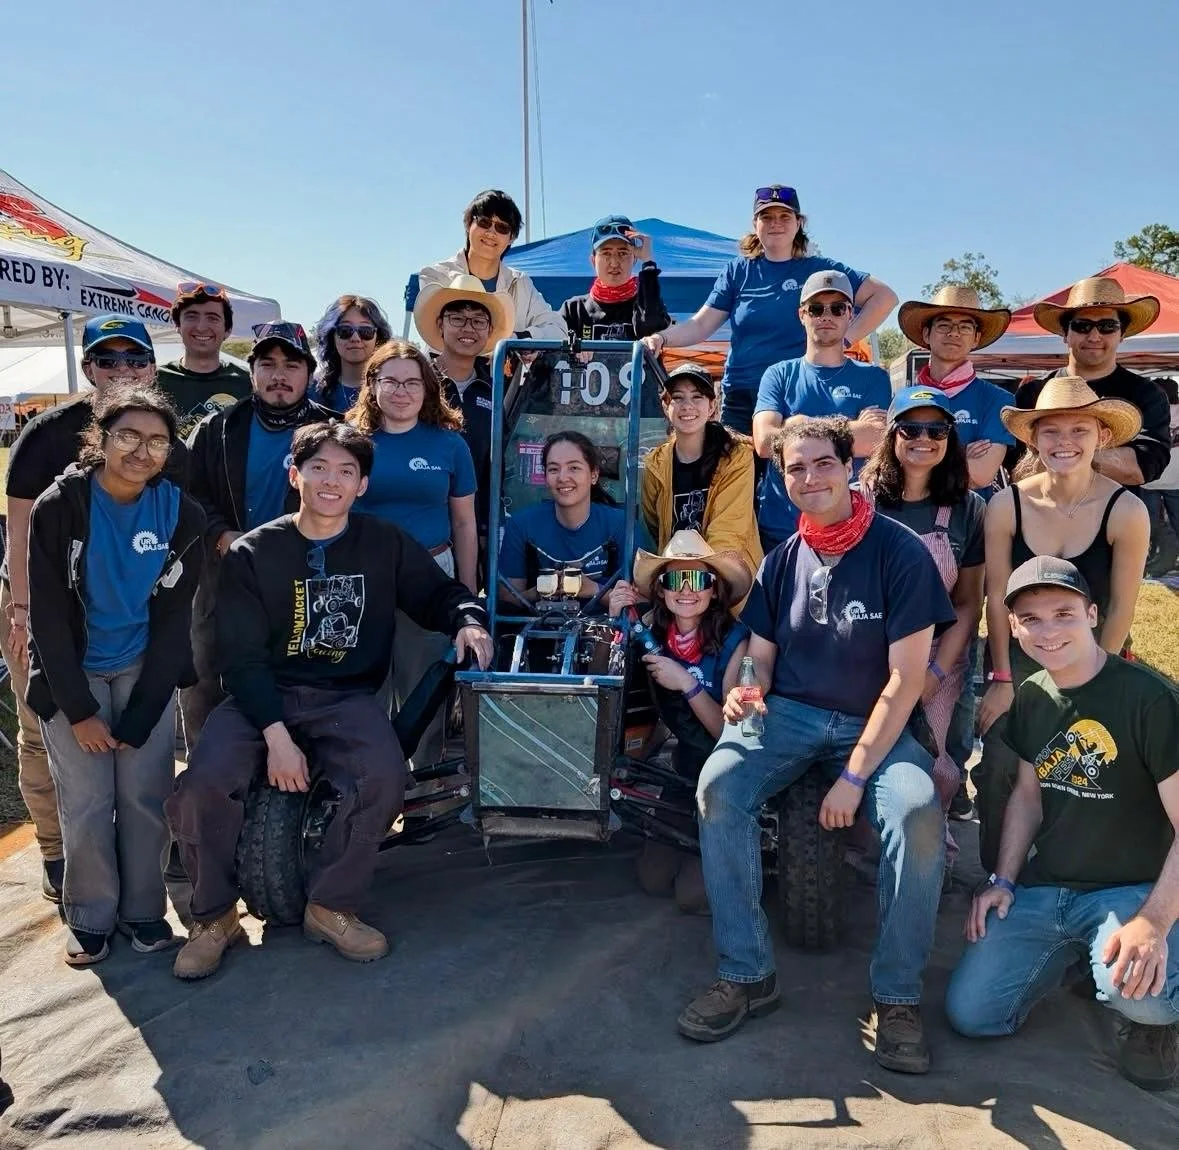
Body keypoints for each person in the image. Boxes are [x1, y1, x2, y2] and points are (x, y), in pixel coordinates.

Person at [676, 417, 955, 1074]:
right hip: (792, 714)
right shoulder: (783, 560)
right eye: (794, 468)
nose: (809, 478)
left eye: (821, 463)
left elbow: (907, 679)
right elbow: (761, 656)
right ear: (782, 478)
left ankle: (896, 997)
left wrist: (854, 778)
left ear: (848, 466)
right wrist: (747, 686)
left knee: (915, 813)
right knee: (718, 787)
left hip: (875, 725)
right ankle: (746, 975)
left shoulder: (898, 551)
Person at [165, 422, 493, 979]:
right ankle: (214, 916)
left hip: (344, 695)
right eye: (318, 468)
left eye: (347, 471)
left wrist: (466, 619)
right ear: (295, 476)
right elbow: (239, 658)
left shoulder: (383, 542)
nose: (331, 482)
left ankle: (330, 905)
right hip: (259, 696)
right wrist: (275, 735)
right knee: (202, 783)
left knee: (384, 777)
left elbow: (436, 593)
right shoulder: (252, 552)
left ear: (363, 485)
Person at [946, 556, 1179, 1093]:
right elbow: (1028, 796)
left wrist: (1154, 922)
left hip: (1129, 890)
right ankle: (1082, 956)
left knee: (1139, 996)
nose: (1047, 631)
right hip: (1048, 888)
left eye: (1063, 613)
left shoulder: (1149, 699)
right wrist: (1002, 879)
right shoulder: (1033, 696)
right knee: (972, 1015)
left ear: (1093, 614)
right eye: (1030, 619)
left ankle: (1154, 1019)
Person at [1, 315, 180, 901]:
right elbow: (22, 527)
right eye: (109, 359)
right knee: (42, 732)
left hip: (126, 609)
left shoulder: (159, 435)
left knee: (131, 760)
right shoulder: (49, 432)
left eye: (135, 359)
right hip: (43, 601)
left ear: (152, 368)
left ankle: (133, 874)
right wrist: (23, 613)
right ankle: (56, 854)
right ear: (89, 367)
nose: (122, 370)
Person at [26, 386, 204, 965]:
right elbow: (48, 619)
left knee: (145, 797)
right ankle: (91, 912)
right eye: (127, 435)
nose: (141, 450)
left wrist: (145, 710)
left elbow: (176, 620)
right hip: (72, 670)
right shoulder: (61, 506)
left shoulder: (183, 513)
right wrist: (78, 710)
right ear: (99, 440)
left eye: (156, 440)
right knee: (85, 800)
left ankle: (144, 910)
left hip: (142, 666)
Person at [975, 376, 1151, 872]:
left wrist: (1100, 684)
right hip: (1022, 657)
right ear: (1033, 438)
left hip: (1099, 655)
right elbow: (995, 594)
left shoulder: (1126, 509)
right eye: (1051, 431)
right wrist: (1003, 679)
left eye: (1079, 429)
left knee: (1093, 772)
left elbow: (1121, 606)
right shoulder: (1006, 503)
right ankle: (998, 880)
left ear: (1102, 436)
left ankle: (1087, 879)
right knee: (999, 770)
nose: (1065, 442)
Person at [182, 322, 333, 748]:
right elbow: (189, 495)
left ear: (310, 372)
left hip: (303, 584)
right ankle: (209, 789)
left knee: (297, 695)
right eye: (267, 363)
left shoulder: (333, 433)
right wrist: (220, 533)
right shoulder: (217, 429)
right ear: (251, 372)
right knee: (207, 687)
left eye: (291, 364)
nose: (279, 374)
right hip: (223, 577)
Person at [642, 186, 896, 434]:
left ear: (798, 223)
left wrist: (845, 339)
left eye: (784, 216)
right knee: (737, 474)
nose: (776, 223)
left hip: (798, 394)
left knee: (799, 471)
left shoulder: (820, 271)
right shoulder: (738, 271)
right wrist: (661, 337)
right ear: (756, 224)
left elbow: (884, 297)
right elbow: (700, 325)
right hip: (742, 396)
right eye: (767, 216)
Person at [860, 387, 986, 876]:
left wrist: (933, 671)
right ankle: (862, 852)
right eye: (911, 428)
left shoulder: (967, 509)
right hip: (868, 650)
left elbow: (968, 601)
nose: (923, 439)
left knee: (933, 763)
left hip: (938, 654)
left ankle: (927, 864)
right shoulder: (861, 502)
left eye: (936, 430)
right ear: (891, 436)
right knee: (862, 748)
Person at [349, 340, 478, 768]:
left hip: (430, 574)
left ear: (427, 389)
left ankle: (423, 795)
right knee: (363, 691)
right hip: (362, 577)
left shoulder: (450, 445)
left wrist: (466, 590)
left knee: (424, 689)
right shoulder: (351, 442)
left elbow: (463, 522)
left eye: (412, 381)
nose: (401, 391)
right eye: (390, 381)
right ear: (372, 385)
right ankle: (365, 797)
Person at [608, 532, 752, 911]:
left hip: (725, 774)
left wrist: (686, 683)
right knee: (652, 880)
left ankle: (746, 854)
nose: (686, 591)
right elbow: (611, 688)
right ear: (661, 588)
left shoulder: (737, 641)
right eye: (675, 579)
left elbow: (728, 733)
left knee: (691, 897)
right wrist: (613, 618)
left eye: (698, 580)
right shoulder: (651, 631)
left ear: (715, 589)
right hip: (683, 771)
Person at [752, 270, 892, 550]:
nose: (826, 316)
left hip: (851, 528)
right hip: (782, 529)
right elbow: (765, 442)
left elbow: (876, 439)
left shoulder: (874, 377)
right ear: (802, 315)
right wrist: (849, 427)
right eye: (816, 309)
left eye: (837, 308)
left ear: (850, 315)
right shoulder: (778, 374)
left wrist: (798, 423)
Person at [1013, 277, 1171, 487]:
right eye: (1082, 326)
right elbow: (1019, 469)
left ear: (1121, 334)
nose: (1095, 336)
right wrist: (1098, 456)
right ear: (1065, 334)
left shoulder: (1146, 394)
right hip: (1040, 513)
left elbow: (1141, 468)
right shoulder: (1032, 392)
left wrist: (1060, 455)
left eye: (1107, 326)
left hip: (1116, 516)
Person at [412, 275, 515, 548]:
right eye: (457, 318)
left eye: (478, 321)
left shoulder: (493, 390)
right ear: (440, 325)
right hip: (422, 532)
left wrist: (484, 529)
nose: (468, 328)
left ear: (489, 329)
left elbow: (494, 466)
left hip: (475, 531)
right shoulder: (414, 384)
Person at [640, 363, 761, 585]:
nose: (687, 406)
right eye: (677, 398)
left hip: (727, 581)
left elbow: (729, 532)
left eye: (697, 397)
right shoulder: (655, 464)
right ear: (665, 405)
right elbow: (654, 524)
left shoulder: (737, 456)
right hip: (676, 582)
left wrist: (707, 584)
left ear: (712, 406)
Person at [896, 285, 1014, 495]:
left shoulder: (998, 400)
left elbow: (981, 474)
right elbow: (894, 470)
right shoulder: (903, 399)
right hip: (913, 519)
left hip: (972, 522)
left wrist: (920, 462)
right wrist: (961, 456)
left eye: (965, 327)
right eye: (943, 325)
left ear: (976, 338)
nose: (954, 333)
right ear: (926, 334)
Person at [498, 431, 635, 606]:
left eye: (574, 468)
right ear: (546, 478)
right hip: (539, 628)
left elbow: (640, 600)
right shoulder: (521, 524)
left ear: (593, 475)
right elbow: (507, 599)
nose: (563, 477)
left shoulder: (622, 525)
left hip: (606, 629)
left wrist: (592, 589)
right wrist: (543, 590)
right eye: (554, 469)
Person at [417, 189, 565, 342]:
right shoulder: (435, 277)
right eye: (484, 222)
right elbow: (435, 335)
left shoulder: (520, 283)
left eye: (502, 228)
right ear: (468, 224)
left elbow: (557, 328)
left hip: (502, 366)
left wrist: (521, 338)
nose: (491, 233)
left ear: (512, 238)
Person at [559, 215, 671, 342]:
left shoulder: (646, 304)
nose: (614, 263)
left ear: (634, 259)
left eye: (622, 253)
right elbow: (551, 350)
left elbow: (653, 328)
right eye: (606, 253)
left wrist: (648, 264)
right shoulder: (574, 309)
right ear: (593, 260)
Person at [156, 283, 251, 430]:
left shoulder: (248, 383)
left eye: (212, 318)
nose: (201, 327)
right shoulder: (155, 380)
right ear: (177, 325)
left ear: (228, 330)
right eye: (191, 316)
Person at [311, 294, 393, 415]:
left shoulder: (393, 390)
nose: (355, 338)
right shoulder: (312, 390)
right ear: (331, 336)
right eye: (345, 330)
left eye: (365, 331)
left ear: (378, 337)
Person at [1142, 376, 1179, 577]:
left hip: (1151, 477)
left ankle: (1163, 556)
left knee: (1152, 523)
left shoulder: (1148, 413)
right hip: (1175, 479)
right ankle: (1167, 556)